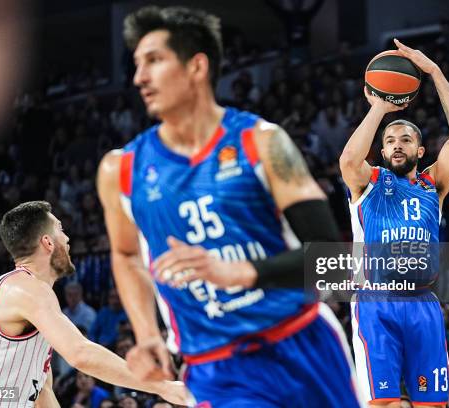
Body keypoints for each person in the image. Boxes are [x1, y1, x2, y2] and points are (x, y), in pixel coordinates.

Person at [97, 5, 360, 407]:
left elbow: (333, 261)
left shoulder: (264, 142)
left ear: (196, 67)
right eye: (137, 64)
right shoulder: (121, 169)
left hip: (302, 342)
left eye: (154, 61)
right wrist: (148, 335)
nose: (139, 78)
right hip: (218, 370)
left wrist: (238, 272)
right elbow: (126, 253)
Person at [340, 38, 449, 407]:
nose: (397, 144)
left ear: (419, 150)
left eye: (406, 139)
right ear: (382, 152)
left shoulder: (434, 185)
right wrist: (379, 110)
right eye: (390, 141)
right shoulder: (368, 183)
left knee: (433, 404)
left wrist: (434, 71)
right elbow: (349, 160)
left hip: (423, 304)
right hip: (374, 302)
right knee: (383, 403)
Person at [0, 201, 187, 407]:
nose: (66, 238)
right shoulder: (26, 288)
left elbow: (40, 392)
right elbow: (81, 354)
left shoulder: (27, 294)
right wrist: (163, 387)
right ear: (47, 242)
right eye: (60, 230)